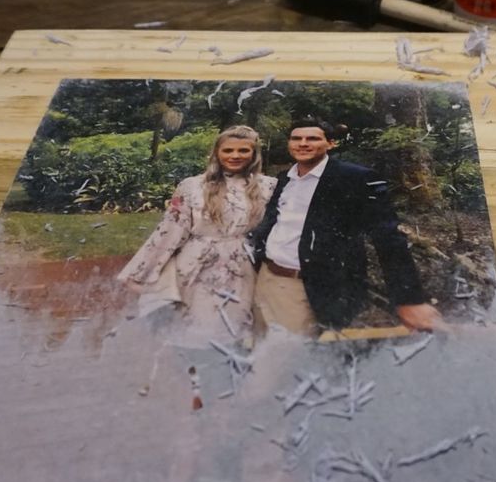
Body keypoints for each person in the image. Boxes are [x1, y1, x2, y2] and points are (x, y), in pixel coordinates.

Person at [249, 117, 442, 336]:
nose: (303, 143)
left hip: (306, 287)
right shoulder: (285, 178)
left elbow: (388, 237)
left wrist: (409, 299)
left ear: (331, 143)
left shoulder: (354, 178)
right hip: (266, 278)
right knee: (259, 345)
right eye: (296, 138)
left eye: (312, 138)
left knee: (288, 354)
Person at [117, 125, 276, 342]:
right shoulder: (192, 186)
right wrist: (144, 270)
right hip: (196, 265)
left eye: (243, 150)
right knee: (196, 328)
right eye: (228, 150)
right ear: (217, 152)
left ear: (254, 153)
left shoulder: (268, 186)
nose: (235, 156)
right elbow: (170, 229)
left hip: (242, 265)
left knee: (234, 329)